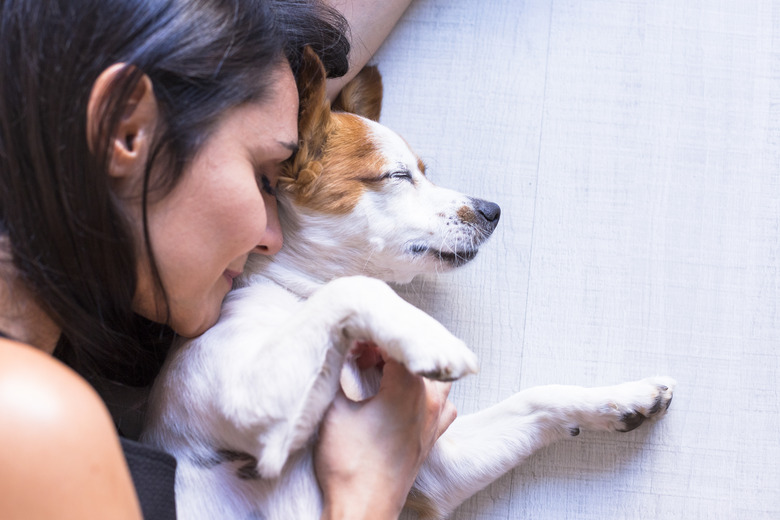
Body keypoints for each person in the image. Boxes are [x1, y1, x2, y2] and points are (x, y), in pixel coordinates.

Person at [0, 1, 456, 519]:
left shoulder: (92, 331)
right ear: (126, 129)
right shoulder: (29, 417)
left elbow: (307, 83)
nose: (272, 236)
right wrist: (367, 492)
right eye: (265, 180)